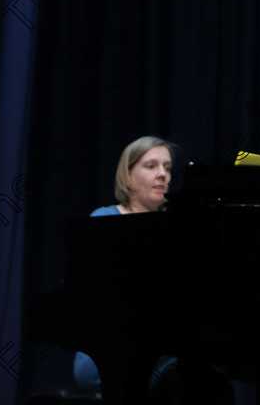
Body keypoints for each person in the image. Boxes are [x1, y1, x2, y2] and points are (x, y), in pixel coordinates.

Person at [76, 136, 175, 389]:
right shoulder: (104, 220)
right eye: (151, 166)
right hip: (108, 349)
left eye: (167, 167)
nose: (162, 174)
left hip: (161, 350)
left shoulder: (176, 229)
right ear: (128, 176)